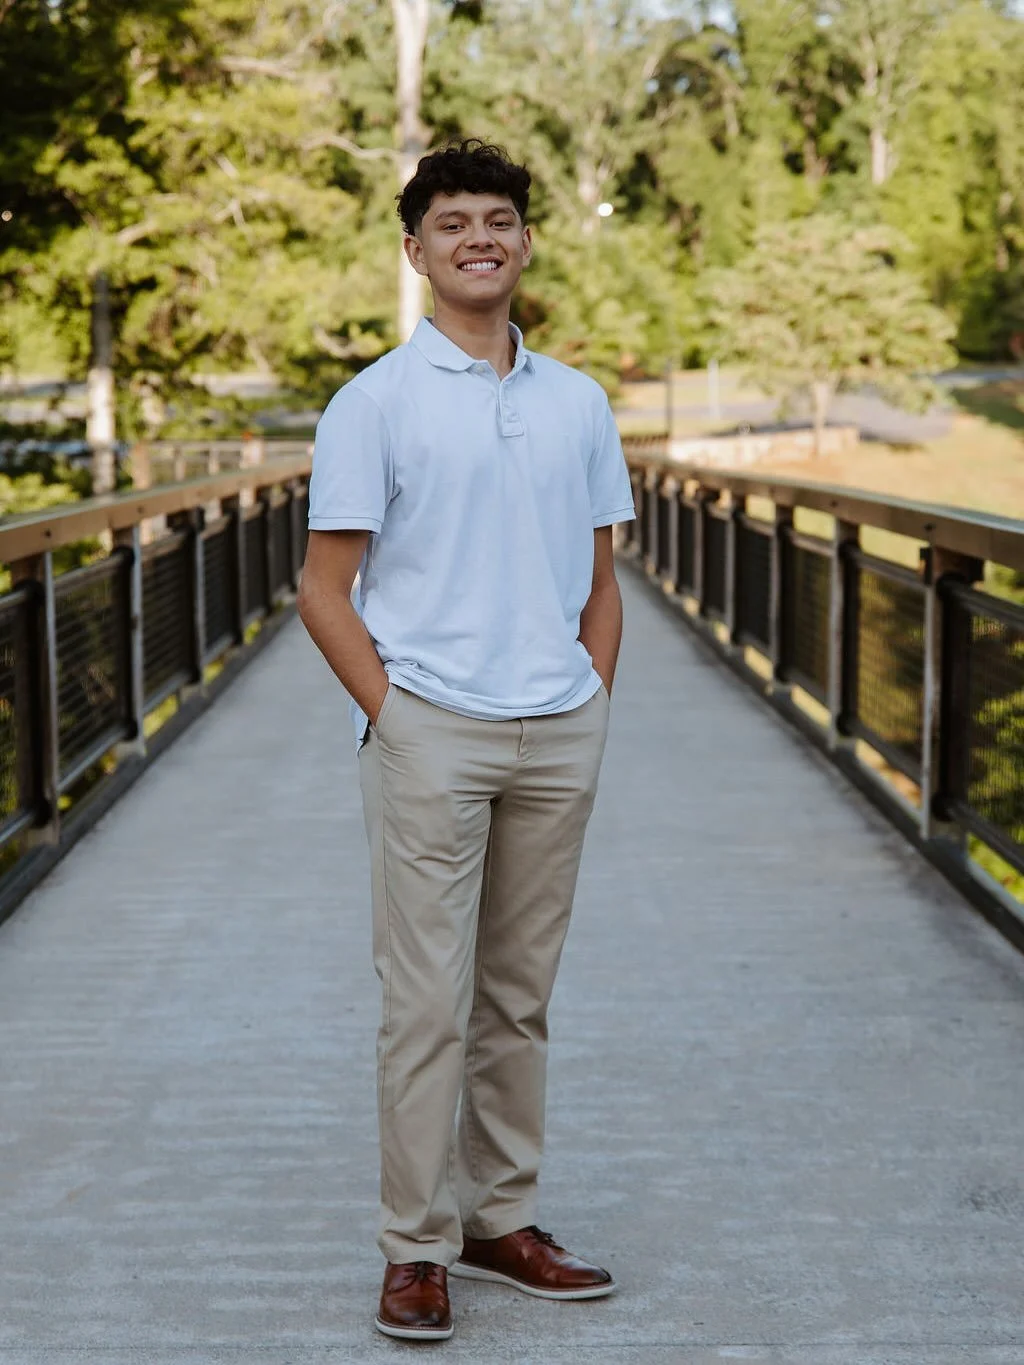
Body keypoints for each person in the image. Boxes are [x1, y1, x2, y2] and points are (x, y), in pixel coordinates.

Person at [297, 138, 635, 1343]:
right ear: (416, 250)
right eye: (452, 223)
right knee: (424, 1005)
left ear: (526, 240)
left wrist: (588, 699)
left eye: (498, 219)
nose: (478, 238)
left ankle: (500, 1222)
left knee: (517, 998)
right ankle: (414, 1248)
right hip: (431, 729)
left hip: (556, 731)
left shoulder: (577, 401)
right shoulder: (374, 403)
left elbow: (601, 579)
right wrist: (395, 718)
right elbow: (323, 589)